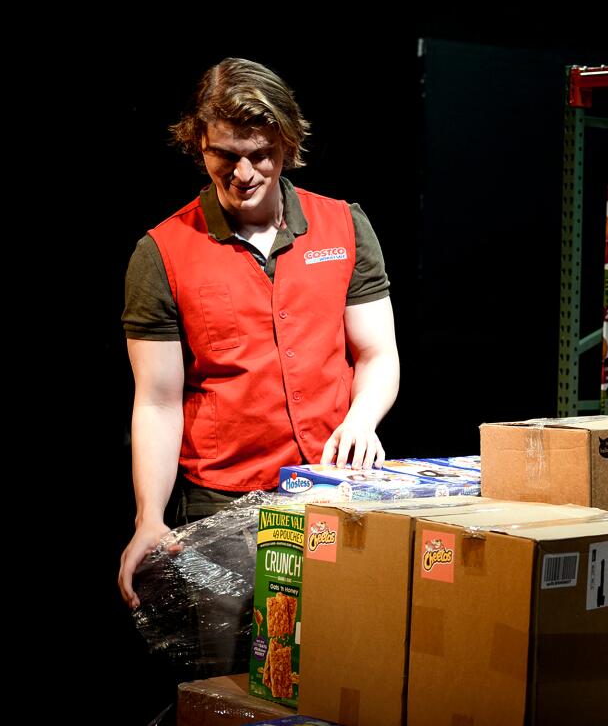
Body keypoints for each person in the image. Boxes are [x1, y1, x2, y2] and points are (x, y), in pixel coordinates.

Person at [118, 58, 400, 609]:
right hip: (222, 507)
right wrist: (148, 516)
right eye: (226, 155)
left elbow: (377, 352)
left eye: (259, 155)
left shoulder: (343, 226)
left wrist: (363, 420)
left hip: (333, 491)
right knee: (229, 677)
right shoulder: (162, 253)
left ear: (286, 146)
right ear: (200, 146)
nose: (243, 174)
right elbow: (156, 401)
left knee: (342, 658)